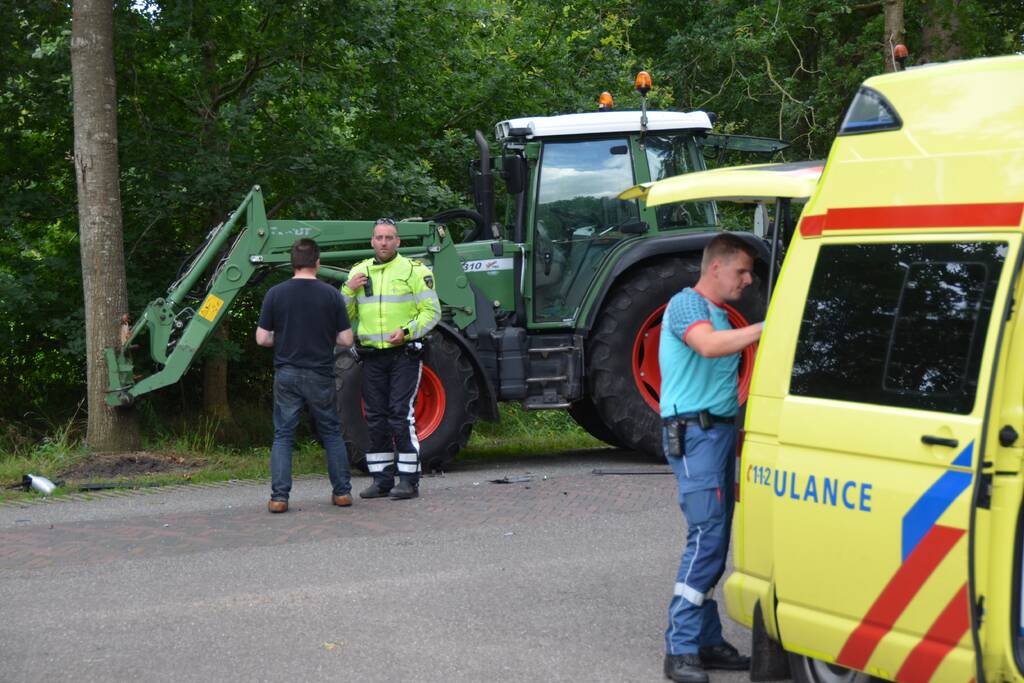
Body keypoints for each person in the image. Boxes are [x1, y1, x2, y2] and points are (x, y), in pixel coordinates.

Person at [659, 233, 763, 683]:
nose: (747, 280)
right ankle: (680, 647)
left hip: (718, 433)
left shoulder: (719, 313)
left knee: (716, 541)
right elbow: (708, 346)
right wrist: (769, 326)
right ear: (715, 268)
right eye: (742, 271)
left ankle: (706, 640)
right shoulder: (687, 304)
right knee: (706, 537)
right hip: (694, 434)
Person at [342, 218, 440, 500]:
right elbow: (343, 316)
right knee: (375, 417)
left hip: (403, 355)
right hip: (372, 356)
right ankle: (382, 480)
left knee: (400, 414)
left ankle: (409, 480)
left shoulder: (414, 271)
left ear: (398, 241)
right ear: (372, 241)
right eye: (379, 237)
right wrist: (348, 290)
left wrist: (407, 332)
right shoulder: (358, 272)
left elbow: (432, 312)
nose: (384, 242)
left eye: (389, 238)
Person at [256, 238, 354, 514]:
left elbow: (262, 338)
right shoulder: (331, 295)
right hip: (320, 373)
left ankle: (279, 498)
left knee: (283, 435)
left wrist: (283, 338)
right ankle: (342, 493)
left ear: (293, 263)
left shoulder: (275, 294)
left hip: (287, 373)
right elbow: (346, 340)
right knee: (331, 432)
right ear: (317, 263)